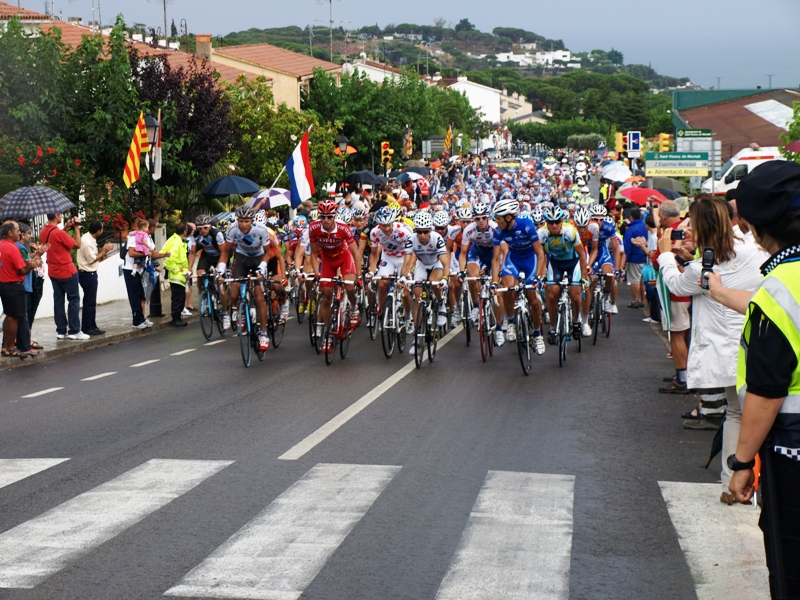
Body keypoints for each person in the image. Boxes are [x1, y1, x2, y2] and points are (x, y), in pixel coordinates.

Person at [707, 161, 800, 597]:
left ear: (758, 225)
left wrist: (741, 464)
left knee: (790, 569)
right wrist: (723, 292)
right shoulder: (779, 285)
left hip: (792, 450)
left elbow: (766, 392)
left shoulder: (781, 286)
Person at [657, 195, 766, 501]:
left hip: (725, 353)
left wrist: (667, 256)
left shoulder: (700, 268)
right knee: (759, 416)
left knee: (735, 414)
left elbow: (676, 285)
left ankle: (731, 484)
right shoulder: (753, 250)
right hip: (757, 343)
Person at [653, 200, 692, 394]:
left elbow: (658, 259)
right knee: (684, 333)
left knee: (677, 334)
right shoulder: (685, 228)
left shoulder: (675, 232)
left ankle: (683, 379)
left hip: (677, 289)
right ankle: (684, 375)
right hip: (686, 287)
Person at [40, 213, 87, 340]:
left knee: (58, 300)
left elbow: (56, 239)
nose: (62, 216)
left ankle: (61, 330)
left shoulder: (44, 231)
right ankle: (74, 330)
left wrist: (65, 227)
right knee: (73, 299)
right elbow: (77, 245)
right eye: (61, 214)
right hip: (66, 270)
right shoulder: (59, 233)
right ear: (56, 215)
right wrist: (77, 227)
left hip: (53, 271)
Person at [0, 221, 43, 358]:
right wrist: (33, 265)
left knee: (9, 316)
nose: (20, 233)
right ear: (10, 232)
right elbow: (21, 270)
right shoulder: (12, 248)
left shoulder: (1, 245)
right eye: (17, 230)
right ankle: (11, 347)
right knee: (14, 317)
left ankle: (6, 346)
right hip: (13, 285)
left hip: (4, 284)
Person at [123, 220, 169, 330]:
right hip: (130, 269)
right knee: (135, 295)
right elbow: (131, 253)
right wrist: (145, 253)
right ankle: (136, 320)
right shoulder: (133, 237)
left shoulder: (148, 239)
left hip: (142, 270)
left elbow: (153, 254)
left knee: (141, 295)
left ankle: (142, 319)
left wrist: (164, 255)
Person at [77, 220, 114, 336]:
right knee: (89, 301)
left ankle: (92, 325)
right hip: (87, 273)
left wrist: (103, 249)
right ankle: (87, 327)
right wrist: (104, 251)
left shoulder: (89, 238)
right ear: (98, 231)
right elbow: (91, 259)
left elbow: (93, 253)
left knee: (91, 301)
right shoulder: (86, 242)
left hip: (90, 273)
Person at [160, 223, 191, 327]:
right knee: (178, 298)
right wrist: (178, 270)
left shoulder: (176, 240)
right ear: (185, 231)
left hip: (178, 276)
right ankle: (176, 319)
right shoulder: (177, 243)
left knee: (179, 298)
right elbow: (168, 262)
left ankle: (177, 317)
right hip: (177, 276)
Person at [623, 206, 648, 308]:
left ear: (631, 217)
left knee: (635, 280)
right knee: (642, 280)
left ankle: (635, 300)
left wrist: (626, 259)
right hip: (645, 255)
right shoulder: (645, 226)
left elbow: (627, 246)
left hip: (634, 258)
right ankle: (643, 300)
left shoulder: (631, 229)